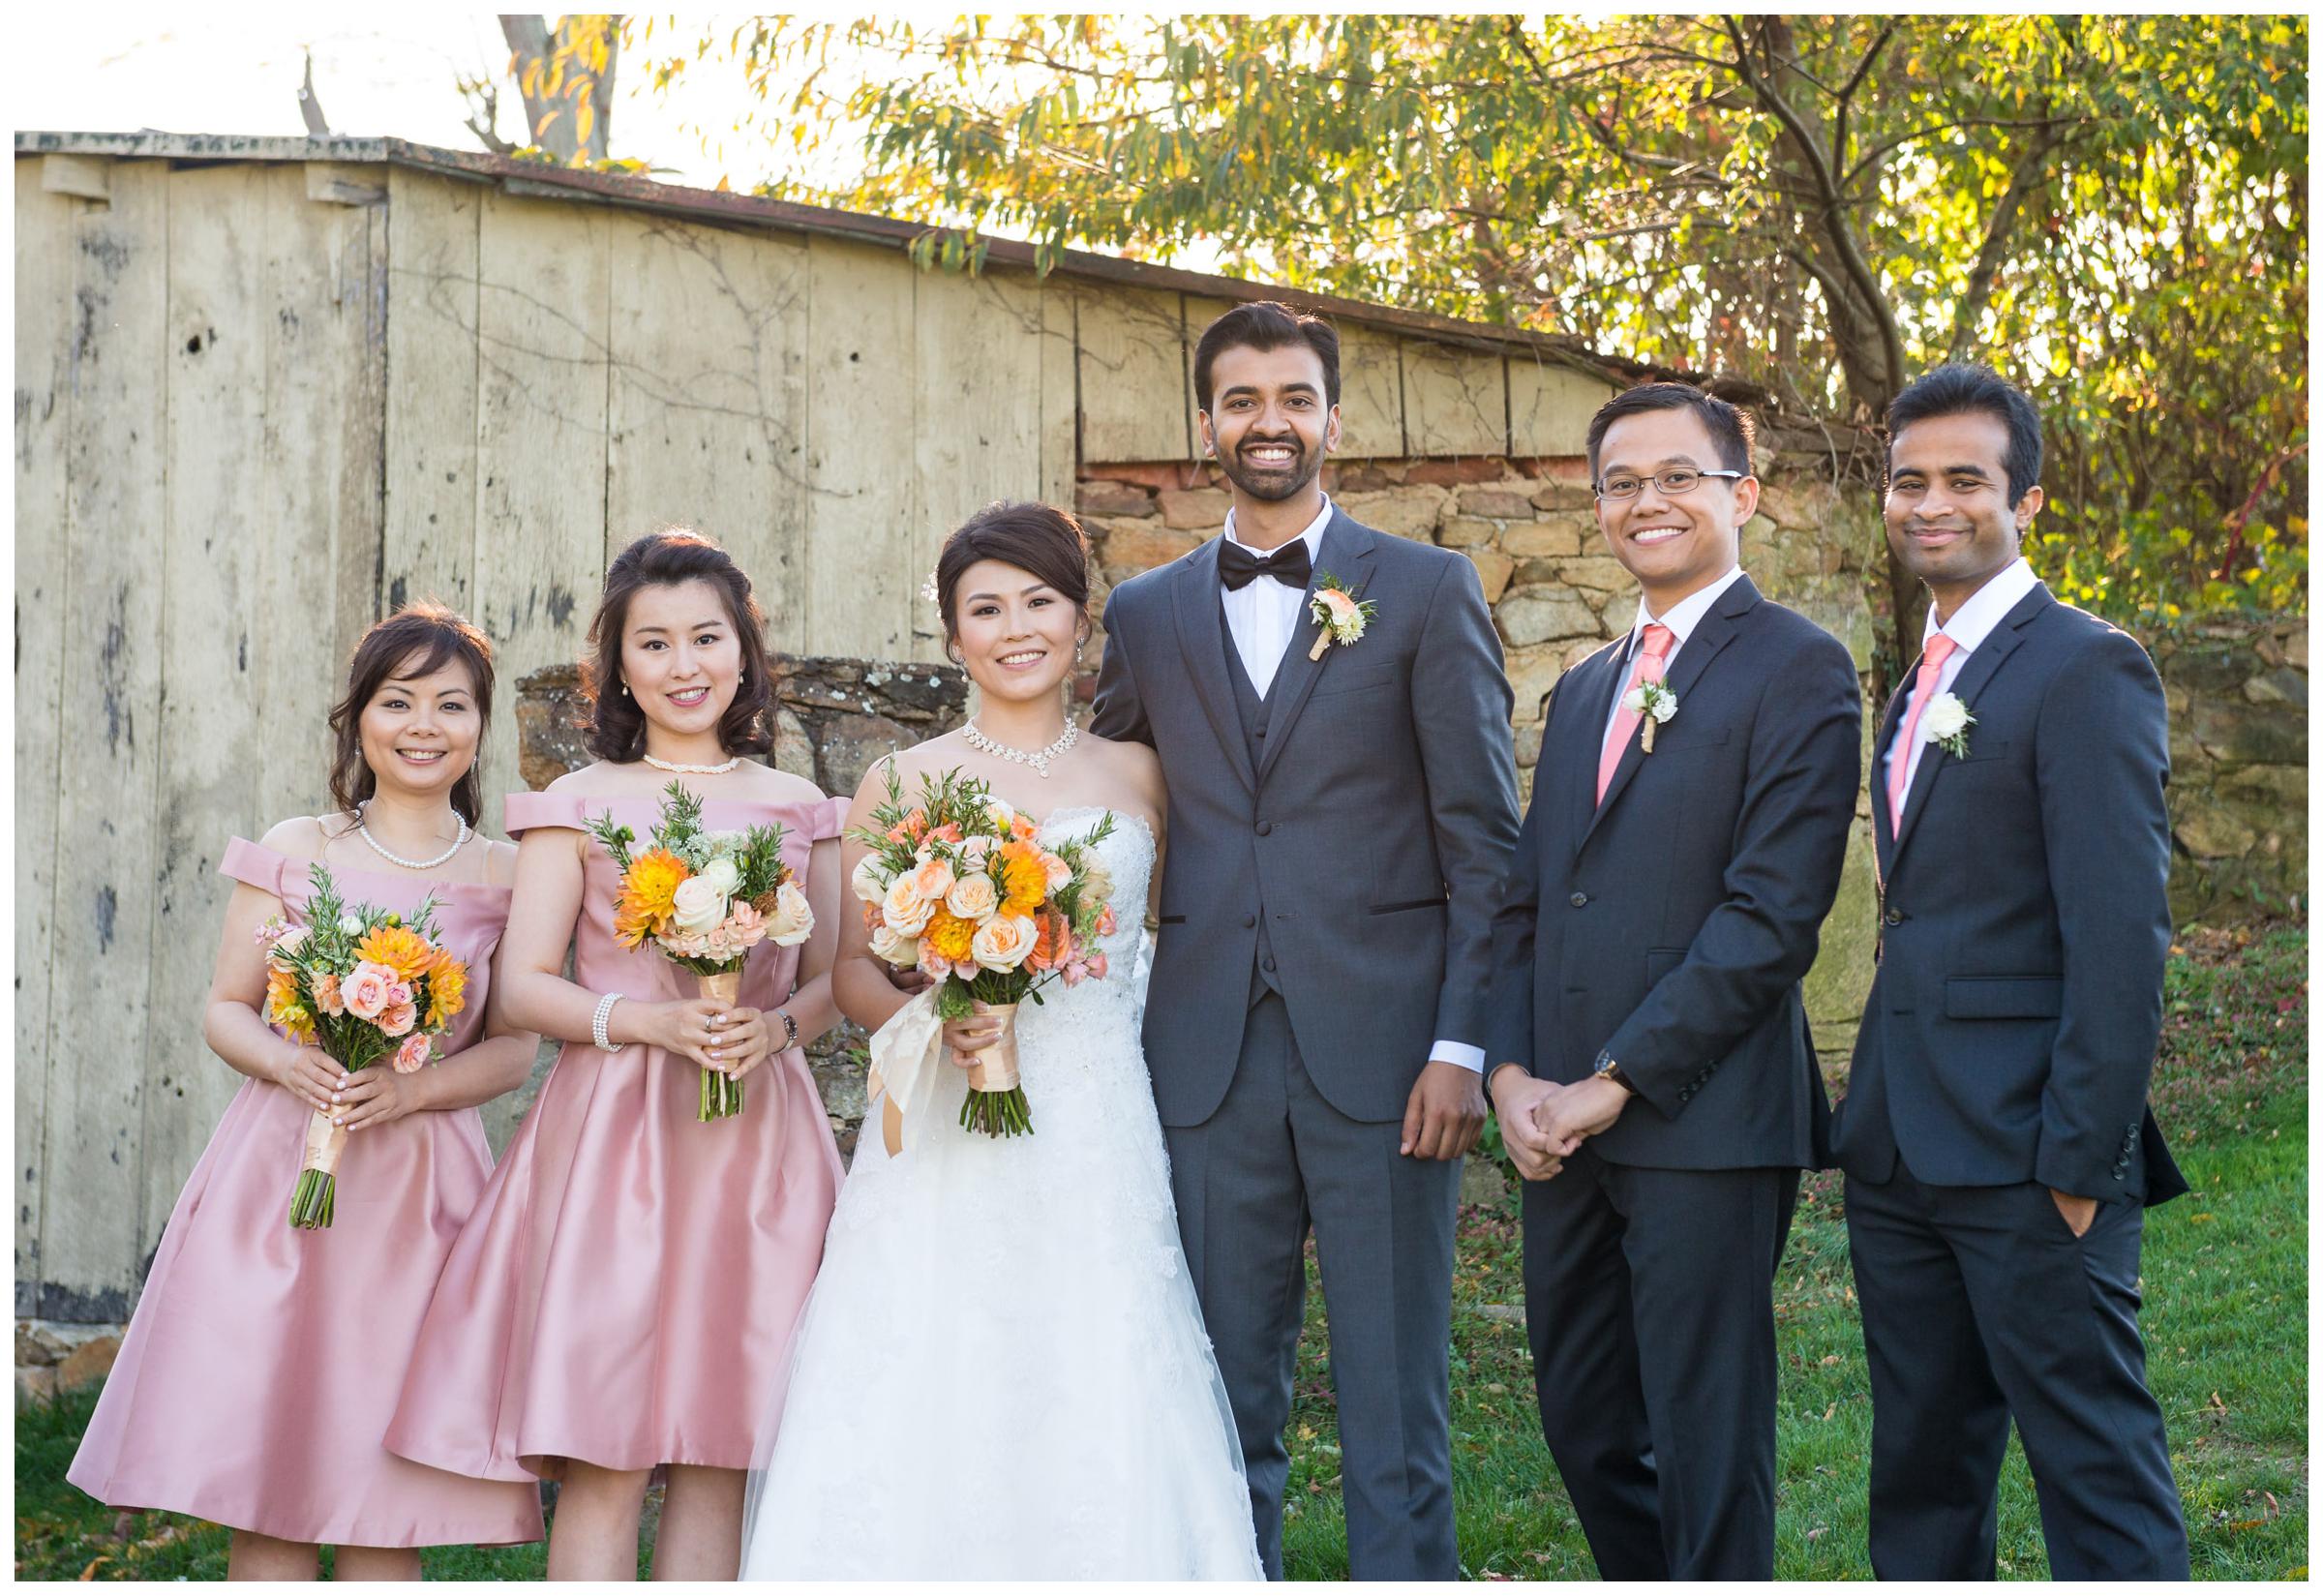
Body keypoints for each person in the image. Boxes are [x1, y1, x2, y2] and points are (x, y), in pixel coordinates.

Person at [739, 501, 1259, 1578]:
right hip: (945, 1126)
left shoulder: (1140, 775)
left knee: (1098, 1346)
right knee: (935, 1350)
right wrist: (942, 1016)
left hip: (1099, 1116)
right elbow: (851, 971)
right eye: (986, 607)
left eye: (1040, 600)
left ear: (1081, 618)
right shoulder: (904, 780)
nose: (1016, 627)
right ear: (951, 633)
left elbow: (1167, 947)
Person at [1091, 301, 1520, 1580]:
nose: (1267, 422)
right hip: (1207, 1060)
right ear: (1205, 423)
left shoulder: (1429, 590)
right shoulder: (1147, 613)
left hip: (1394, 1056)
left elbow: (1485, 845)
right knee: (1222, 1400)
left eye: (1292, 398)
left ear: (1334, 420)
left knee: (1396, 1400)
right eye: (1240, 399)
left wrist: (1461, 1042)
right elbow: (1102, 804)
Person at [384, 529, 846, 1581]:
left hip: (755, 1143)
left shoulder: (797, 809)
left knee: (721, 1446)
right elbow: (524, 985)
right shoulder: (575, 803)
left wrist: (778, 1027)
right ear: (621, 666)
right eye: (655, 643)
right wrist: (644, 1022)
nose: (684, 665)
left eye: (706, 637)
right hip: (611, 1144)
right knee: (607, 1446)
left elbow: (838, 977)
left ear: (744, 653)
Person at [68, 604, 544, 1578]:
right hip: (281, 1177)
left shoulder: (507, 871)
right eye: (398, 699)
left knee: (383, 1504)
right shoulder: (299, 847)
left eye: (450, 704)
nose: (424, 724)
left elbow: (512, 1049)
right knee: (273, 1487)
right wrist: (292, 1061)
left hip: (419, 1197)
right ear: (358, 717)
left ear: (479, 726)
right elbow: (227, 1008)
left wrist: (412, 1092)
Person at [1485, 383, 1861, 1579]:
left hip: (1706, 1114)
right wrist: (1506, 1072)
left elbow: (1769, 917)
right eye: (1621, 481)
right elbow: (1533, 897)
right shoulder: (1589, 682)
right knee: (1586, 1422)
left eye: (1677, 476)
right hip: (1558, 1127)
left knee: (1707, 1436)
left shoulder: (1800, 668)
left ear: (1740, 493)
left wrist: (1616, 1081)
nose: (1647, 499)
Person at [1829, 363, 2190, 1579]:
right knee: (1922, 1474)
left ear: (2025, 500)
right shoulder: (1919, 672)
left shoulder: (2086, 667)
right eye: (1909, 480)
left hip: (2034, 1151)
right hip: (1896, 1148)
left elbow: (2120, 936)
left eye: (1964, 479)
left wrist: (2079, 1168)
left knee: (2096, 1472)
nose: (1931, 502)